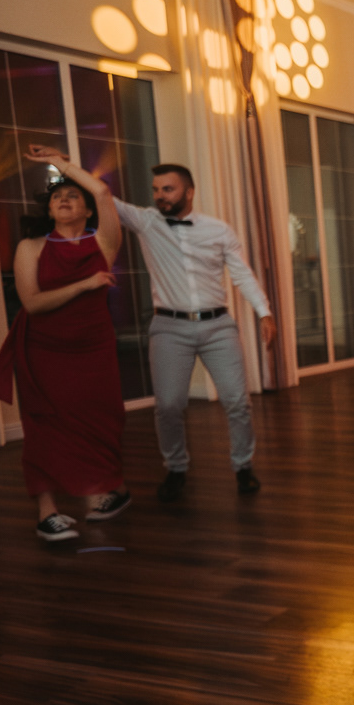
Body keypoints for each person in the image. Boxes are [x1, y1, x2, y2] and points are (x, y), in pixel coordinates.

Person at [0, 149, 131, 542]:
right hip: (44, 349)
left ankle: (104, 490)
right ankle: (47, 513)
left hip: (93, 348)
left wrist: (63, 166)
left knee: (100, 420)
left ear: (87, 210)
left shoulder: (103, 242)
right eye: (56, 197)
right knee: (45, 426)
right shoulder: (31, 247)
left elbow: (103, 192)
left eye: (72, 196)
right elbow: (32, 303)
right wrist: (85, 284)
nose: (63, 199)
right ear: (48, 211)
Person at [110, 165, 276, 502]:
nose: (159, 196)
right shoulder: (147, 222)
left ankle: (243, 466)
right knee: (169, 405)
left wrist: (264, 312)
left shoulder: (218, 229)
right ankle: (176, 468)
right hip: (169, 328)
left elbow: (242, 274)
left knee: (237, 401)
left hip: (218, 326)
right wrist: (65, 166)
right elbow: (104, 198)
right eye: (156, 189)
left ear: (189, 192)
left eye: (168, 189)